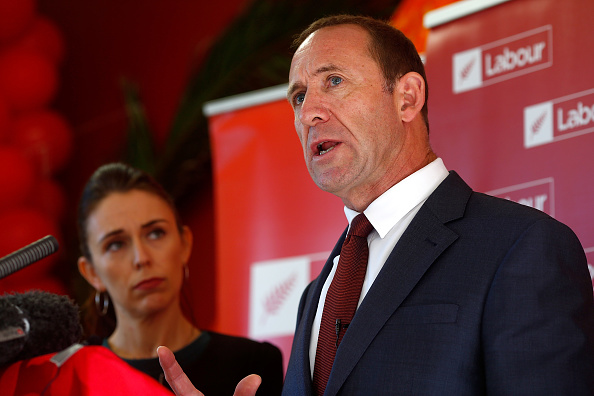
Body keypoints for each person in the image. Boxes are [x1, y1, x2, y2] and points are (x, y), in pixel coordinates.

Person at [160, 14, 594, 395]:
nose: (309, 111)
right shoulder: (319, 292)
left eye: (334, 81)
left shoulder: (523, 247)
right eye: (298, 96)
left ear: (407, 97)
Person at [76, 162, 284, 395]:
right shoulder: (72, 375)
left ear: (184, 244)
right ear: (91, 272)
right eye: (115, 245)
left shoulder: (253, 364)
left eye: (155, 233)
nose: (141, 258)